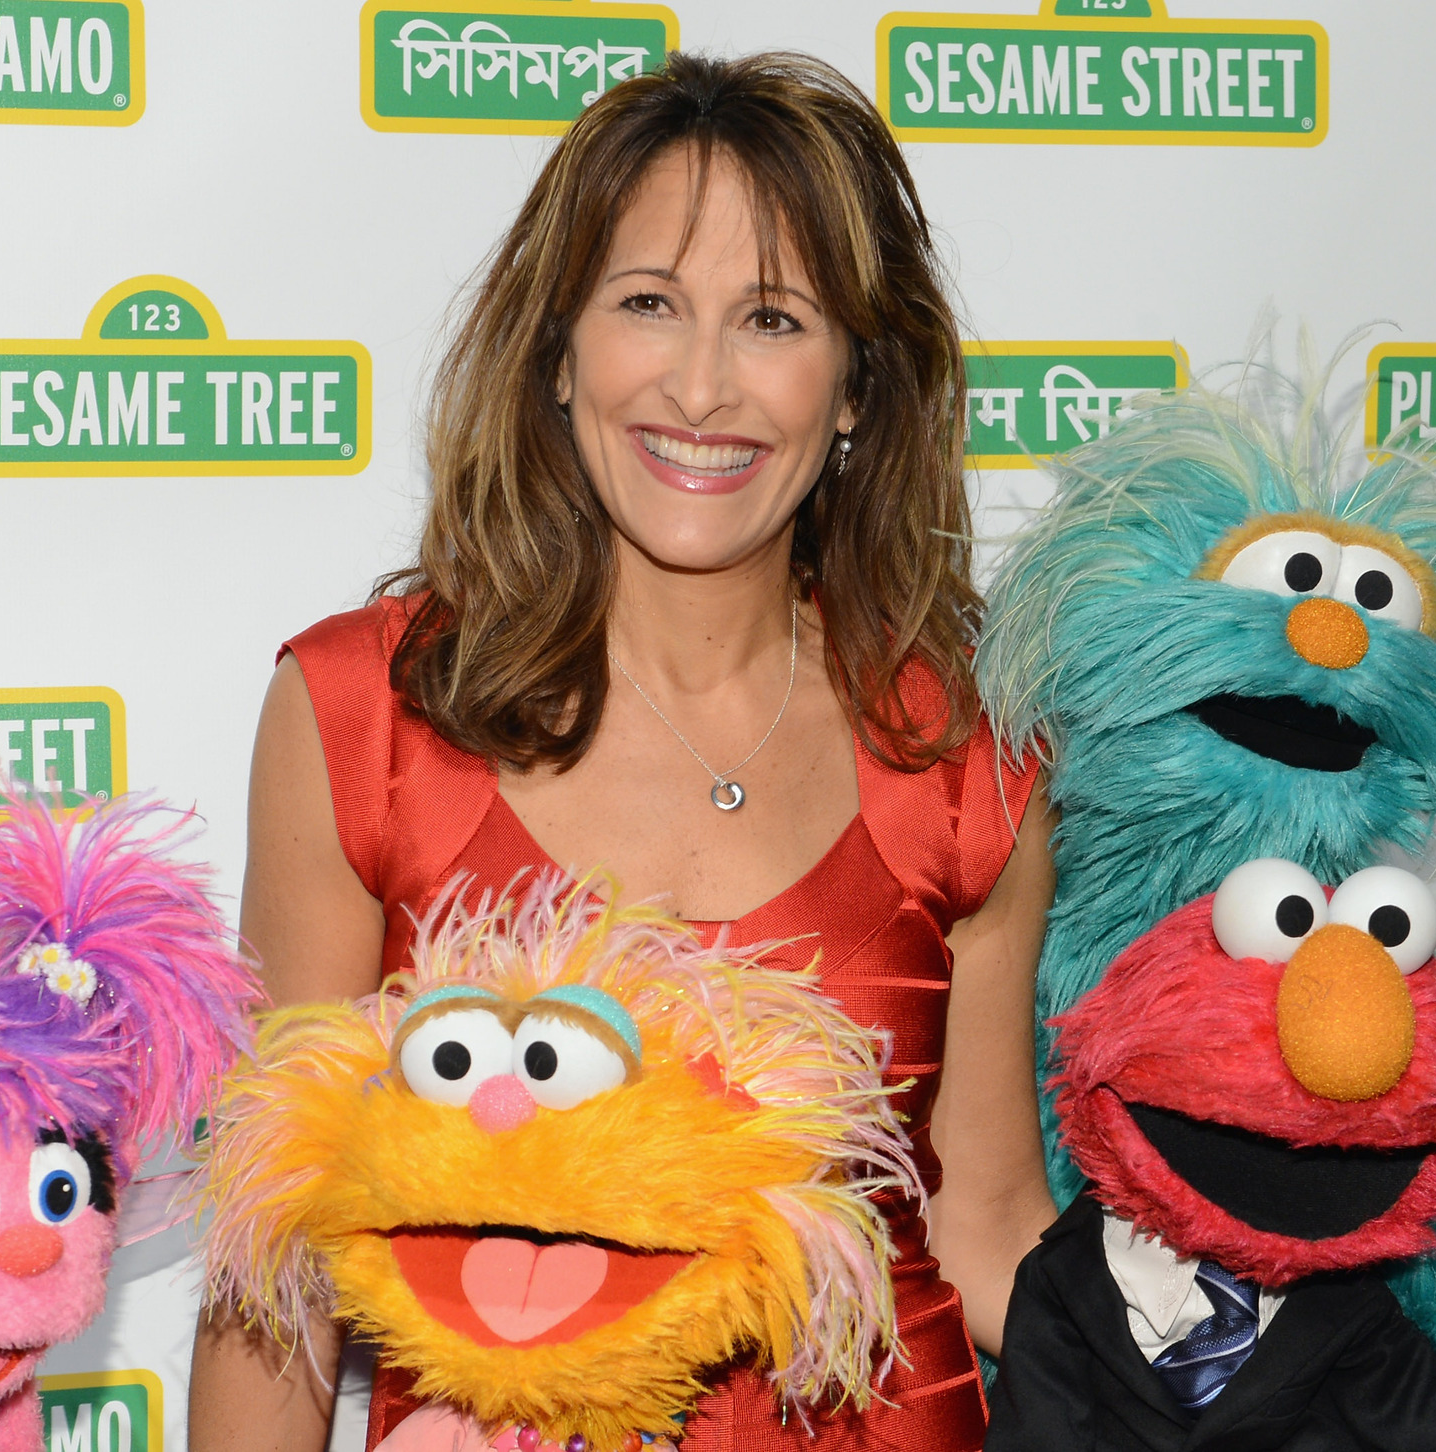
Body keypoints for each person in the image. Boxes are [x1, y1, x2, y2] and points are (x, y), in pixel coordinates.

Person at [190, 50, 1058, 1452]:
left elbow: (991, 1221)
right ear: (556, 351)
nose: (703, 386)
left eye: (773, 318)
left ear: (854, 392)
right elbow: (277, 1252)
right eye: (649, 303)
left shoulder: (965, 753)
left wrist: (1275, 1362)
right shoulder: (363, 718)